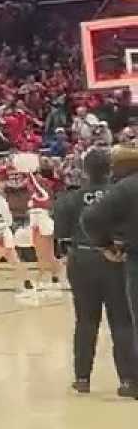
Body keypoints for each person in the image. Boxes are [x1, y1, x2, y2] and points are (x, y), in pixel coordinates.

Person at [54, 148, 138, 397]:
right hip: (116, 258)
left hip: (82, 261)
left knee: (85, 321)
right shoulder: (120, 192)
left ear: (84, 170)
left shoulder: (68, 199)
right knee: (122, 321)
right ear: (110, 169)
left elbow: (62, 241)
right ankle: (128, 380)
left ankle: (82, 378)